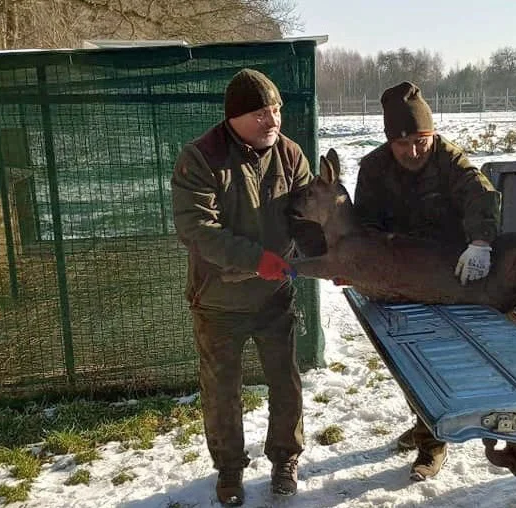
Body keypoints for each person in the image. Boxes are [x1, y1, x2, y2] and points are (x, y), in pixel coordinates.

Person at [171, 68, 313, 506]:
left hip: (275, 298)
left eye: (276, 110)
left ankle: (285, 458)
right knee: (221, 389)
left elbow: (309, 217)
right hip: (218, 301)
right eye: (260, 113)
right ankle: (229, 470)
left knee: (285, 381)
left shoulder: (289, 155)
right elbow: (196, 228)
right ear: (233, 117)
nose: (273, 121)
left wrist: (332, 257)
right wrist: (257, 260)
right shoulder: (201, 156)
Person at [354, 81, 502, 481]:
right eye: (403, 145)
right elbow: (362, 225)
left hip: (446, 274)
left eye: (421, 140)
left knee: (432, 360)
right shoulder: (373, 168)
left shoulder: (449, 159)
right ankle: (424, 423)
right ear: (389, 143)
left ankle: (432, 443)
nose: (414, 151)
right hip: (398, 276)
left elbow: (480, 195)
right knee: (406, 359)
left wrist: (480, 241)